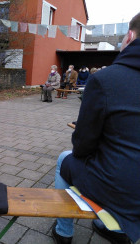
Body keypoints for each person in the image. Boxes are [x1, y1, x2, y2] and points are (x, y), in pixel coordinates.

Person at [52, 12, 140, 244]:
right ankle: (115, 228)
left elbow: (82, 144)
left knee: (65, 159)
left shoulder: (106, 79)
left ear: (129, 36)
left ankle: (64, 232)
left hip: (126, 187)